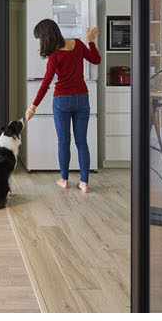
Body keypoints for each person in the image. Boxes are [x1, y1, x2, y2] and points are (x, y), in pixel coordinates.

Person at [24, 20, 101, 193]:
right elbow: (96, 59)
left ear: (46, 37)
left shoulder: (55, 56)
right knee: (82, 142)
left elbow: (45, 84)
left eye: (40, 39)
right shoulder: (78, 44)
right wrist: (90, 40)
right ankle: (84, 183)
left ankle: (64, 179)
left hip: (62, 101)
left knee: (64, 142)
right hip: (82, 98)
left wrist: (33, 107)